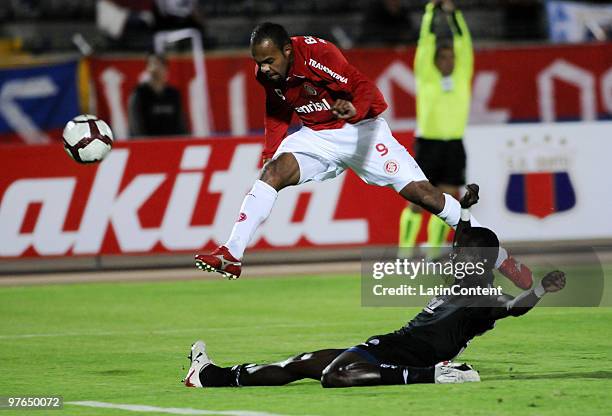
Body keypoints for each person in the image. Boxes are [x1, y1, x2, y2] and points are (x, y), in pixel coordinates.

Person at [194, 22, 531, 290]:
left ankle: (501, 257)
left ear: (286, 50)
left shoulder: (319, 55)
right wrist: (270, 152)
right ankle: (232, 253)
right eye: (258, 62)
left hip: (361, 131)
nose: (264, 69)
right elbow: (277, 108)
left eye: (269, 61)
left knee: (425, 196)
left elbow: (363, 85)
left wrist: (354, 110)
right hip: (316, 137)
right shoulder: (266, 74)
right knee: (272, 173)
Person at [183, 185, 566, 388]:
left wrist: (542, 291)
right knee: (303, 363)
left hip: (406, 360)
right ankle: (209, 376)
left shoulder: (483, 297)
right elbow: (464, 233)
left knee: (335, 376)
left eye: (460, 253)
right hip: (384, 348)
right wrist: (464, 206)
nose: (453, 254)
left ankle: (437, 375)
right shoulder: (465, 275)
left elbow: (515, 306)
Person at [399, 0, 473, 261]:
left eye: (451, 56)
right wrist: (432, 10)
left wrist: (454, 15)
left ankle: (432, 253)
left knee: (445, 200)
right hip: (428, 143)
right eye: (442, 56)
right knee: (418, 200)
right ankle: (405, 253)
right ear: (434, 60)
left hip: (453, 143)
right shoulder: (426, 75)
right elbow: (426, 42)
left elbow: (464, 45)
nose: (449, 59)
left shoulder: (463, 74)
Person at [128, 53, 188, 137]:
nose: (156, 69)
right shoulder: (139, 94)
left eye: (160, 65)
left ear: (166, 69)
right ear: (147, 69)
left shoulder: (173, 94)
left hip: (172, 144)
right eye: (153, 64)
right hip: (147, 145)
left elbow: (181, 123)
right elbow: (135, 126)